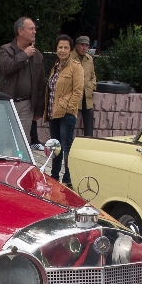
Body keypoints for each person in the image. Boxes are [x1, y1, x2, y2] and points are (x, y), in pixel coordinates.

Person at [0, 17, 45, 152]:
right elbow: (6, 68)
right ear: (20, 31)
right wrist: (24, 55)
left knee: (22, 143)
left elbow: (41, 84)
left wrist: (38, 109)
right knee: (0, 142)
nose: (34, 32)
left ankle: (18, 170)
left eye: (34, 29)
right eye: (31, 29)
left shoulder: (38, 56)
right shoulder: (6, 49)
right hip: (6, 102)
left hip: (27, 105)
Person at [43, 34, 83, 185]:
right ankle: (54, 177)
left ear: (70, 50)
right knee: (55, 146)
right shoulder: (55, 67)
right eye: (60, 47)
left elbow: (78, 91)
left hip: (66, 113)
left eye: (66, 47)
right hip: (53, 111)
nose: (63, 50)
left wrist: (69, 108)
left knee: (66, 146)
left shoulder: (76, 67)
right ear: (56, 49)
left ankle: (68, 179)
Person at [74, 36, 96, 137]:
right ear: (77, 45)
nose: (84, 47)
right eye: (82, 45)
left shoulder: (89, 58)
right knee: (70, 121)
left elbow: (93, 76)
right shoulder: (70, 57)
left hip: (87, 95)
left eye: (86, 45)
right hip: (73, 95)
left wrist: (91, 86)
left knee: (89, 121)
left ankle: (89, 142)